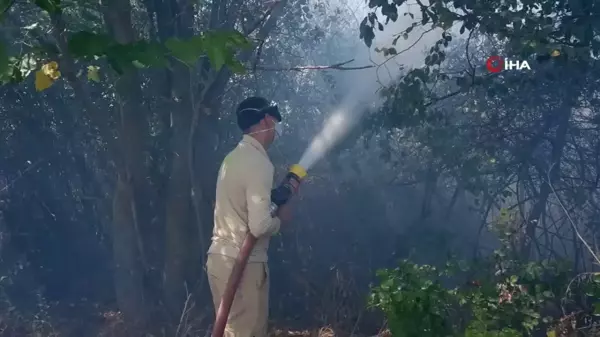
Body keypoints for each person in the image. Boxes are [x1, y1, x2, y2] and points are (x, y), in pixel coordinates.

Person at [206, 96, 292, 337]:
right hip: (244, 266)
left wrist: (274, 199)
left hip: (220, 260)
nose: (275, 129)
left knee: (232, 331)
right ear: (265, 120)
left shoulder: (232, 158)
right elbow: (260, 225)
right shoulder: (259, 162)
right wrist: (279, 221)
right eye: (273, 122)